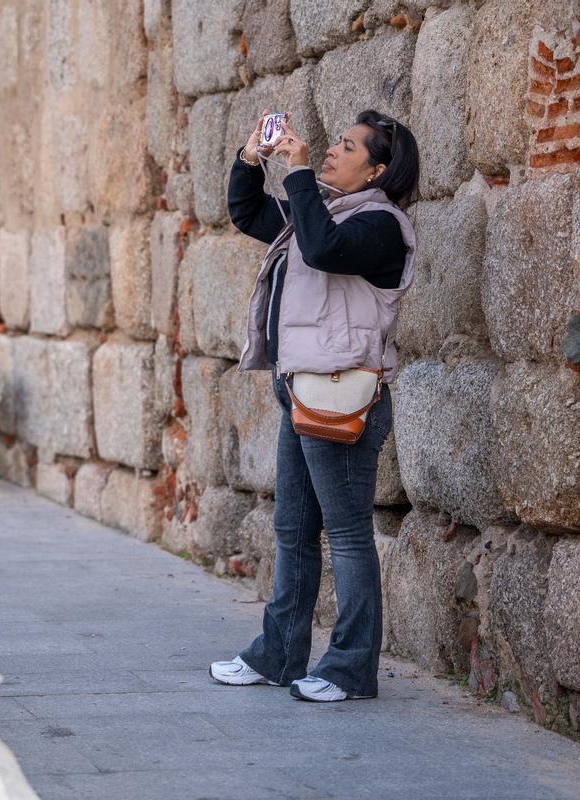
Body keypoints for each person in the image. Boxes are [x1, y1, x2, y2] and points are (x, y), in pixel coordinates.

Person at [208, 108, 421, 701]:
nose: (330, 151)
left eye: (348, 147)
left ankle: (349, 669)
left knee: (348, 534)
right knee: (293, 528)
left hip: (342, 396)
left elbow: (326, 250)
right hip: (300, 389)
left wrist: (298, 172)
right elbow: (248, 212)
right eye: (332, 144)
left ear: (377, 170)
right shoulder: (321, 211)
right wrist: (254, 158)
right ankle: (277, 655)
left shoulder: (380, 225)